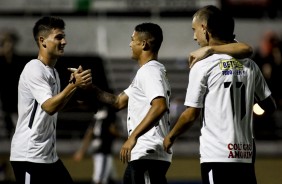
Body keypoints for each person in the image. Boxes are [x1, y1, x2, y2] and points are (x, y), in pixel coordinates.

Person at [70, 22, 253, 184]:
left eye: (132, 39)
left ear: (144, 44)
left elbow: (159, 106)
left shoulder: (150, 72)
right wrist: (88, 87)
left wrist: (133, 138)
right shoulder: (146, 72)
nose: (129, 44)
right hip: (143, 155)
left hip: (148, 153)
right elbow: (117, 102)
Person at [163, 5, 277, 184]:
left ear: (204, 29)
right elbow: (270, 106)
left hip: (217, 155)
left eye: (195, 30)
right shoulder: (250, 65)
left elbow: (191, 114)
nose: (194, 36)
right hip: (245, 155)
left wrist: (170, 137)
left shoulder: (203, 65)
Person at [9, 16, 92, 184]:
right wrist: (74, 85)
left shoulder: (52, 72)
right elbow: (49, 107)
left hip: (48, 157)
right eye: (59, 37)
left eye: (64, 37)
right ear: (42, 41)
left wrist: (80, 101)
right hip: (29, 156)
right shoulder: (34, 68)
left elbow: (56, 105)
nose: (64, 41)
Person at [73, 104, 122, 184]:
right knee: (100, 179)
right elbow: (112, 129)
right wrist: (124, 138)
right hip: (104, 149)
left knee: (108, 177)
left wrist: (81, 151)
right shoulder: (111, 112)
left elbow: (90, 132)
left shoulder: (98, 113)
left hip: (97, 147)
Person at [0, 30, 24, 139]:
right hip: (4, 98)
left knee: (18, 124)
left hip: (16, 98)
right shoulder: (2, 60)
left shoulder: (18, 60)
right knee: (7, 123)